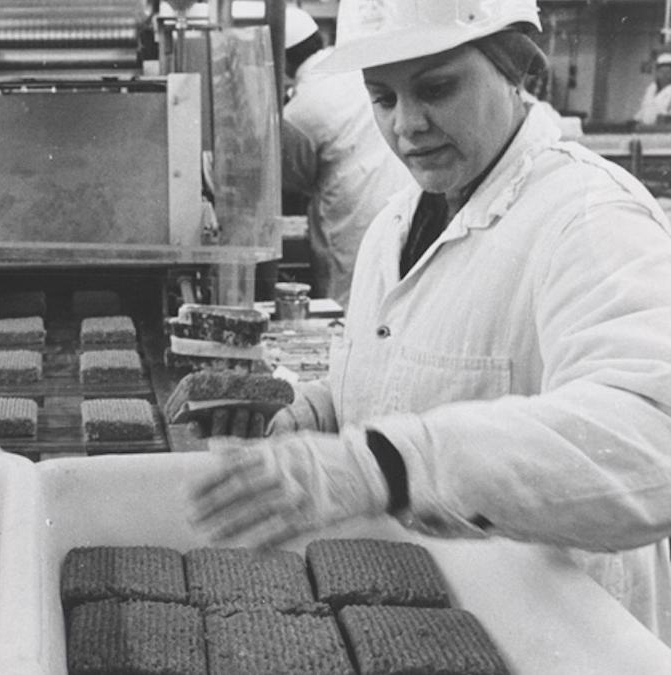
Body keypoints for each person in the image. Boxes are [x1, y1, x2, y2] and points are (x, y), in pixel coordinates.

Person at [189, 0, 671, 645]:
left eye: (437, 88)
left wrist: (385, 465)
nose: (407, 124)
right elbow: (410, 372)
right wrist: (318, 415)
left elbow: (650, 441)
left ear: (518, 67)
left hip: (558, 630)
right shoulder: (399, 220)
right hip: (433, 621)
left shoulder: (588, 217)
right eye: (383, 98)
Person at [280, 6, 412, 308]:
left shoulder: (300, 111)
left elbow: (293, 182)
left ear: (284, 61)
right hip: (400, 198)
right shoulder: (356, 71)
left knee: (348, 306)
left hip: (350, 216)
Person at [634, 51, 671, 127]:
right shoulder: (651, 88)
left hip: (663, 131)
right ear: (657, 73)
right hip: (645, 130)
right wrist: (635, 120)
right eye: (661, 71)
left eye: (668, 72)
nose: (665, 75)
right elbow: (644, 109)